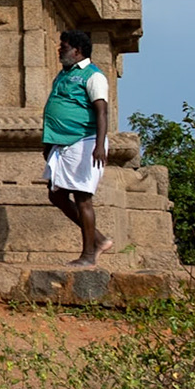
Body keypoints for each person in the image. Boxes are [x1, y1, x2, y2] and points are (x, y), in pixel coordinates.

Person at [44, 28, 114, 266]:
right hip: (62, 143)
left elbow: (101, 110)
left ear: (77, 50)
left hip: (85, 141)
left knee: (83, 197)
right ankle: (99, 239)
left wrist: (99, 145)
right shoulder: (63, 74)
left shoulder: (93, 75)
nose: (59, 50)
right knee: (56, 194)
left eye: (63, 47)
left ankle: (88, 255)